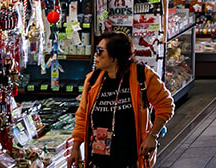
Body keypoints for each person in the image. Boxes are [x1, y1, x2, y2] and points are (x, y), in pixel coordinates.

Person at [67, 30, 175, 168]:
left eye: (100, 51)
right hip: (98, 159)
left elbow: (166, 106)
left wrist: (152, 135)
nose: (95, 55)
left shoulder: (143, 76)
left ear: (114, 56)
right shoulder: (92, 81)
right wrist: (76, 147)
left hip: (131, 159)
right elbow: (82, 115)